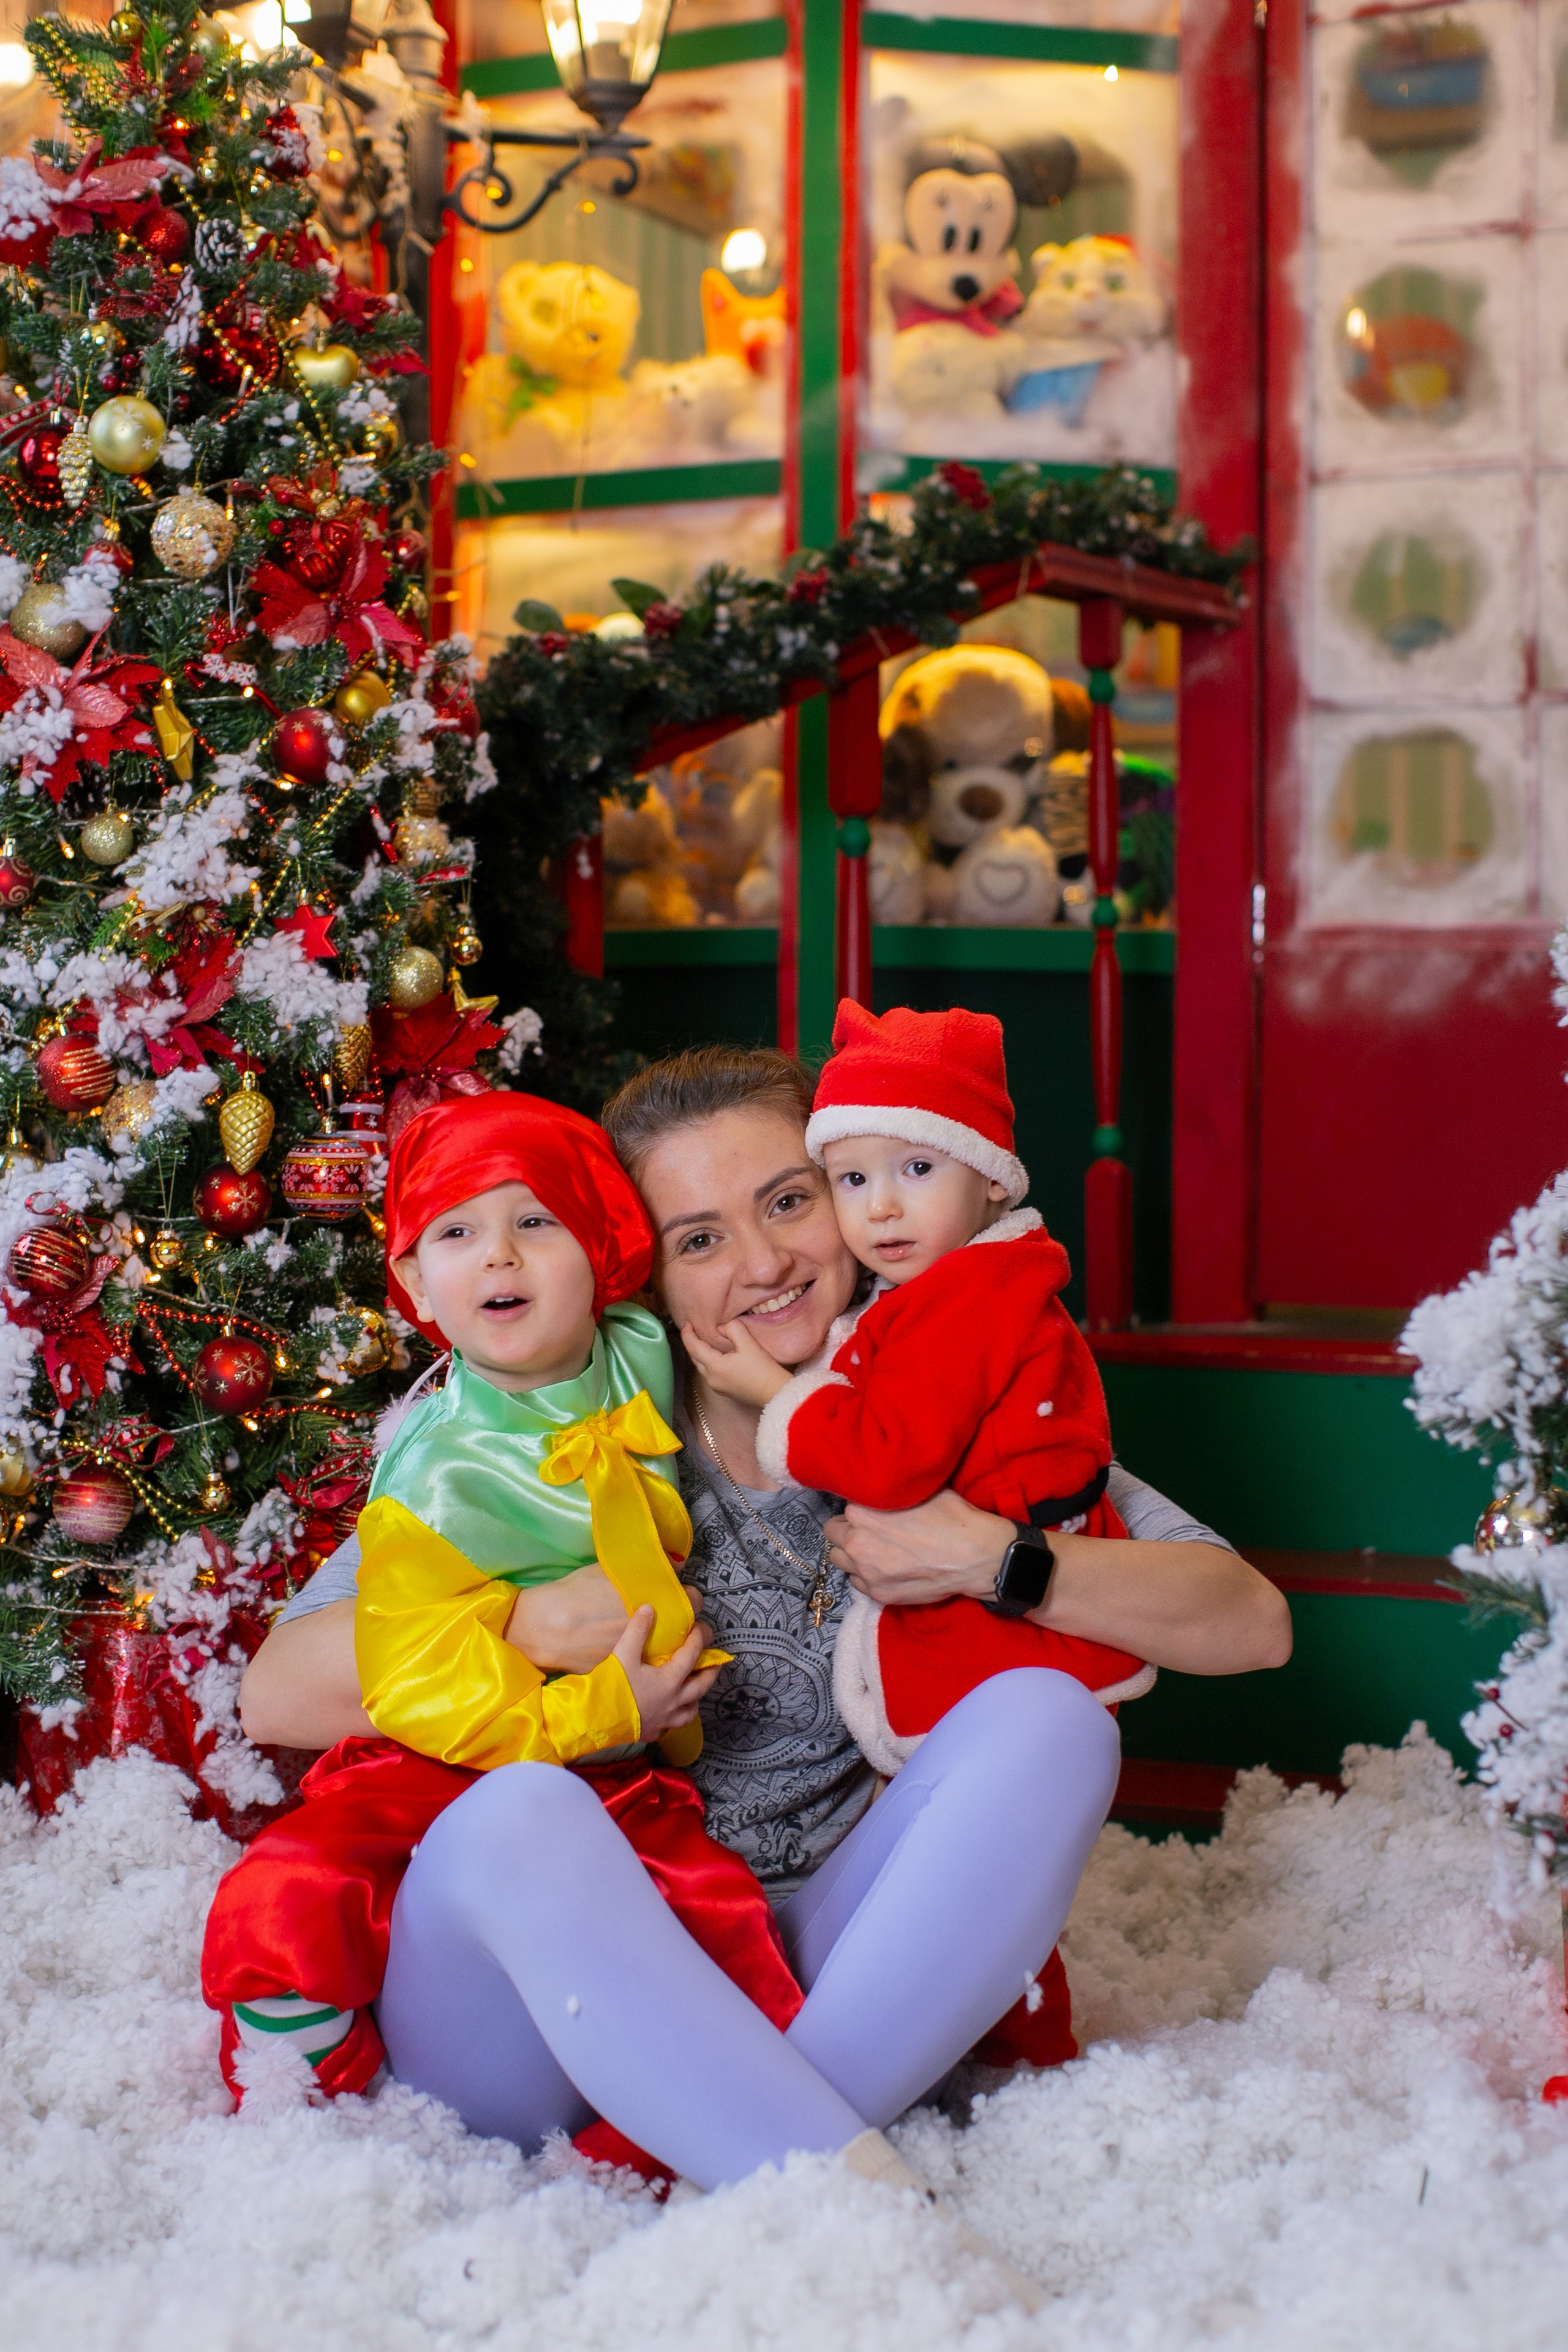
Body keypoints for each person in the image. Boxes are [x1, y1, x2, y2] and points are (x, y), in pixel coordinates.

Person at [237, 1045, 1292, 2211]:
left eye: (790, 1201)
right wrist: (529, 1620)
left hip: (827, 1972)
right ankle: (820, 2182)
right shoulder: (557, 1426)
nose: (765, 1262)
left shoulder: (949, 1403)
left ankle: (756, 2169)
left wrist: (996, 1558)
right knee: (520, 1812)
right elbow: (277, 1691)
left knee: (1054, 1726)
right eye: (699, 1239)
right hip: (549, 2009)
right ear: (632, 1266)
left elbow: (1250, 1623)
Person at [203, 1091, 796, 2141]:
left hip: (619, 1773)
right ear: (413, 1282)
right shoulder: (431, 1474)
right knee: (299, 1885)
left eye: (537, 1224)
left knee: (715, 1923)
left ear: (607, 1253)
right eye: (458, 1233)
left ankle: (693, 2132)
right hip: (453, 1747)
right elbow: (414, 1674)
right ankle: (308, 2103)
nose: (500, 1259)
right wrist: (599, 1710)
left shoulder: (636, 1350)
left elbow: (732, 1312)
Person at [683, 1000, 1152, 1779]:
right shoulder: (942, 1297)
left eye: (919, 1168)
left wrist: (774, 1391)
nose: (883, 1207)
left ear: (993, 1181)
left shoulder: (968, 1300)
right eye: (853, 1180)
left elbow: (890, 1460)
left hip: (1010, 1661)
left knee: (1020, 1754)